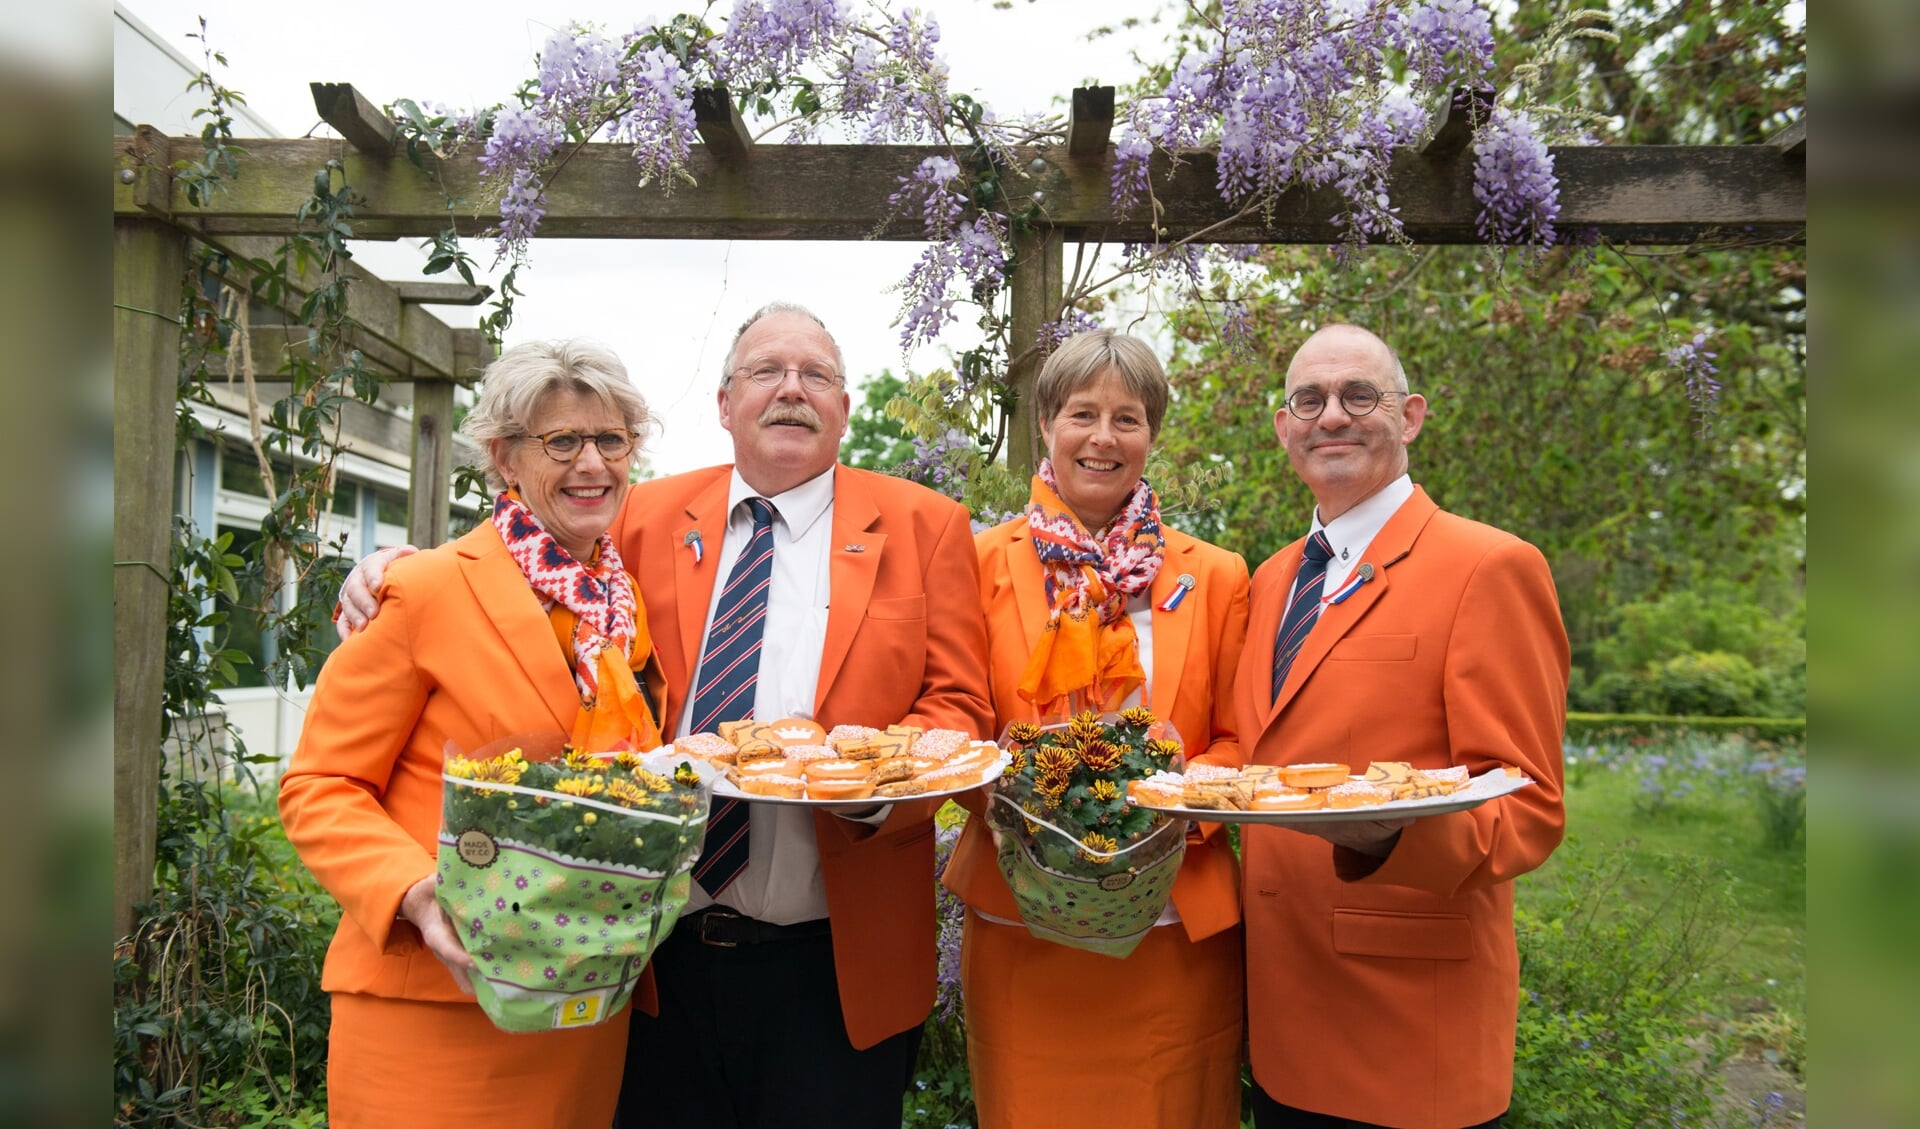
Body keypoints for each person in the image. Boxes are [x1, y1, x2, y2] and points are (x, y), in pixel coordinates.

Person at [337, 302, 993, 1129]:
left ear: (844, 406)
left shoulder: (926, 526)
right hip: (652, 962)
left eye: (816, 374)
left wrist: (869, 788)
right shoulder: (638, 513)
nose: (792, 389)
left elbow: (962, 708)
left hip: (836, 966)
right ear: (725, 404)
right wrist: (389, 565)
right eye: (766, 371)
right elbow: (520, 556)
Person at [279, 340, 669, 1128]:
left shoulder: (624, 606)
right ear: (504, 457)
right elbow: (319, 786)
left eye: (612, 439)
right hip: (436, 1006)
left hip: (583, 1013)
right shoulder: (424, 588)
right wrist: (415, 894)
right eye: (563, 441)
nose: (592, 462)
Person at [1233, 324, 1569, 1129]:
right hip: (1281, 1016)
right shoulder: (1271, 578)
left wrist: (1387, 834)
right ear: (1284, 427)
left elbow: (1529, 811)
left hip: (1409, 1033)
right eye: (1309, 400)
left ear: (1410, 415)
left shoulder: (1489, 567)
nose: (1332, 417)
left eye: (1360, 396)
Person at [940, 329, 1251, 1128]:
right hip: (1022, 924)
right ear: (1046, 423)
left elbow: (1242, 738)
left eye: (1129, 417)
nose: (1104, 437)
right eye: (1083, 413)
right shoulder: (975, 563)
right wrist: (1028, 805)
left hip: (1176, 931)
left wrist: (1176, 791)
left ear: (1152, 435)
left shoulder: (1216, 576)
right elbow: (958, 720)